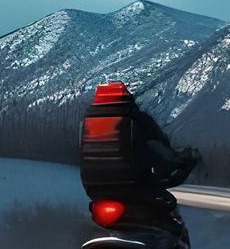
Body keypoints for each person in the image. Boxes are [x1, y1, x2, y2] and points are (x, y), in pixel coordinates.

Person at [80, 79, 200, 212]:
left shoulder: (87, 123)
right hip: (134, 187)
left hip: (94, 190)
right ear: (127, 98)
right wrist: (183, 161)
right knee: (168, 208)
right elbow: (160, 148)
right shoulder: (138, 119)